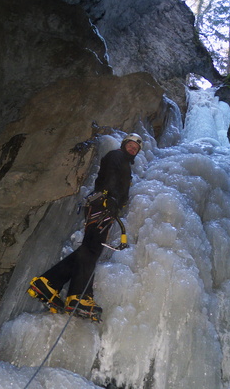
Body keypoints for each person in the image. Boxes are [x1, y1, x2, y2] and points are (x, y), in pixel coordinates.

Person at [27, 132, 143, 320]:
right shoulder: (117, 157)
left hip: (104, 206)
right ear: (124, 144)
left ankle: (48, 283)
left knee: (89, 248)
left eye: (136, 148)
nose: (133, 148)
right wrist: (111, 198)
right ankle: (79, 296)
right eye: (130, 144)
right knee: (92, 248)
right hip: (103, 204)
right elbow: (111, 177)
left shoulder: (123, 162)